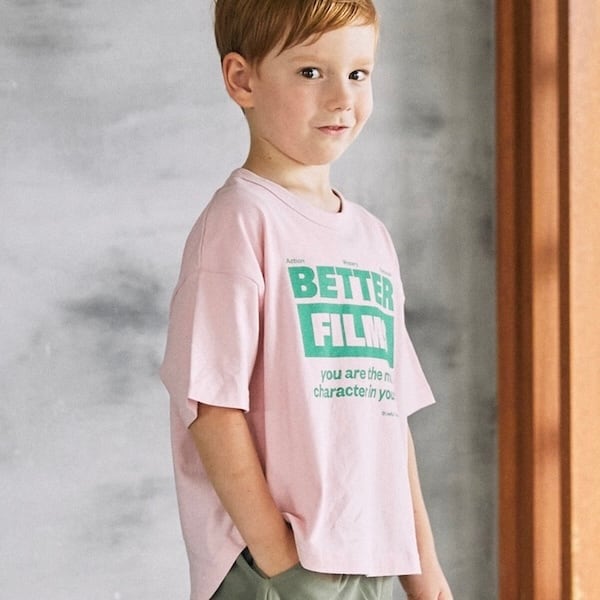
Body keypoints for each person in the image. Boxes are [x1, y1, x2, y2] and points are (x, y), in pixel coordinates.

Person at [160, 1, 453, 598]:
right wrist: (278, 558)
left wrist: (428, 579)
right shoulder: (241, 222)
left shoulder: (371, 238)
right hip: (280, 569)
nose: (343, 98)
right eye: (311, 72)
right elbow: (211, 408)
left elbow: (388, 423)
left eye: (358, 73)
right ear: (242, 80)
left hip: (371, 563)